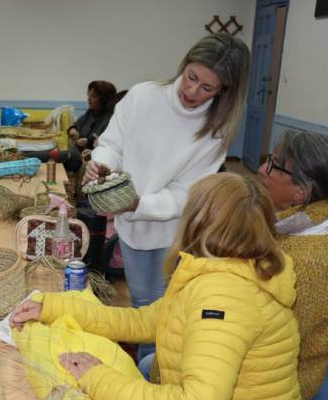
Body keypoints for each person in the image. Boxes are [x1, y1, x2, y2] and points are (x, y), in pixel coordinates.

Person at [11, 173, 305, 400]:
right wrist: (54, 307)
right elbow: (145, 321)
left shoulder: (221, 296)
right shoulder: (234, 270)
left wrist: (96, 378)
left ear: (197, 222)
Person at [84, 33, 250, 360]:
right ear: (184, 65)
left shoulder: (216, 130)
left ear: (224, 92)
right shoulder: (144, 96)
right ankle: (150, 374)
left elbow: (186, 195)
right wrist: (100, 165)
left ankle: (154, 378)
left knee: (163, 311)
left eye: (207, 88)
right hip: (131, 224)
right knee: (143, 305)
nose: (192, 91)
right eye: (192, 77)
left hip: (174, 232)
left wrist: (139, 204)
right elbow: (113, 144)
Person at [257, 130, 328, 400]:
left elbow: (276, 344)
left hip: (287, 378)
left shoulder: (312, 261)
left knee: (156, 367)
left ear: (300, 193)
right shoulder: (284, 226)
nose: (262, 169)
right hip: (263, 356)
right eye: (269, 160)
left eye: (274, 165)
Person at [68, 80, 117, 151]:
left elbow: (106, 143)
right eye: (89, 95)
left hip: (95, 157)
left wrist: (88, 142)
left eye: (93, 96)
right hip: (80, 153)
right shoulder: (90, 112)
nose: (89, 99)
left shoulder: (110, 118)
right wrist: (72, 130)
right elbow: (75, 126)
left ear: (103, 99)